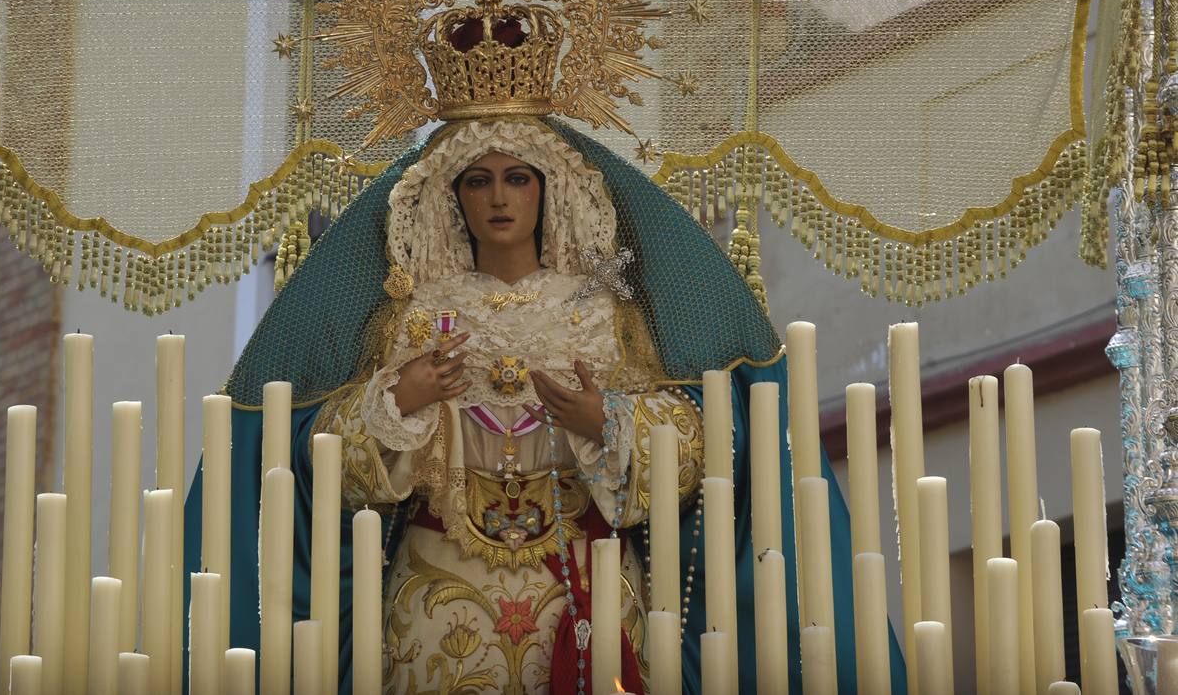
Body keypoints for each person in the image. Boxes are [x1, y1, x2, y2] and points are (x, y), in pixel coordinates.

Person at [183, 107, 905, 692]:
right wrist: (399, 400)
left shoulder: (605, 310)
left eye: (517, 177)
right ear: (451, 196)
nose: (498, 197)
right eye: (478, 180)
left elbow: (696, 450)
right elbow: (327, 467)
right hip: (435, 605)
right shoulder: (410, 316)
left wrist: (609, 423)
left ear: (547, 189)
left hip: (588, 599)